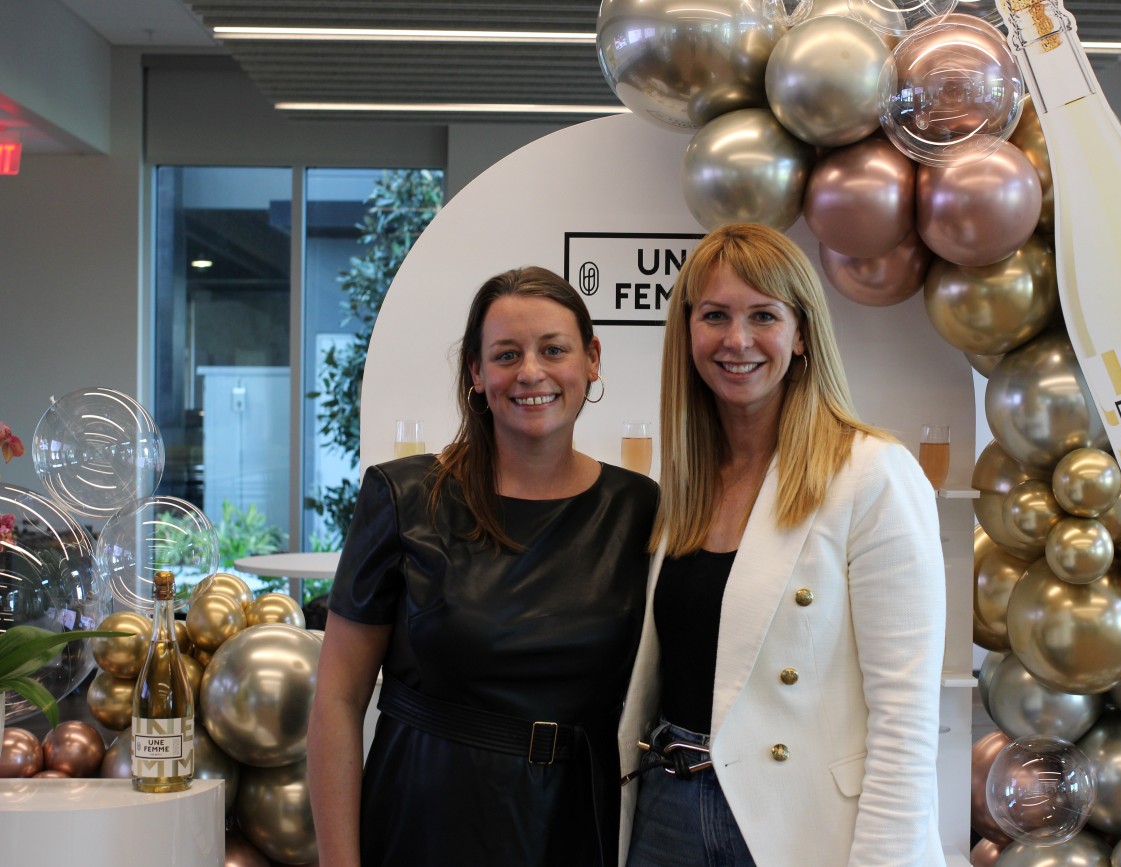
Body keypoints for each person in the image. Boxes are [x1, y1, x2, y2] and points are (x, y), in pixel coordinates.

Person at [617, 223, 946, 867]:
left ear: (802, 335)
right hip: (666, 807)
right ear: (687, 335)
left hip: (797, 824)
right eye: (715, 315)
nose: (737, 340)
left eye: (763, 315)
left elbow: (905, 714)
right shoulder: (685, 480)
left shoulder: (873, 472)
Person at [307, 266, 658, 866]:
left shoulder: (638, 508)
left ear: (592, 359)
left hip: (577, 823)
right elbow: (338, 700)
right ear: (475, 372)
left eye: (554, 350)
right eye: (506, 354)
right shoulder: (403, 496)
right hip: (429, 820)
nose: (530, 373)